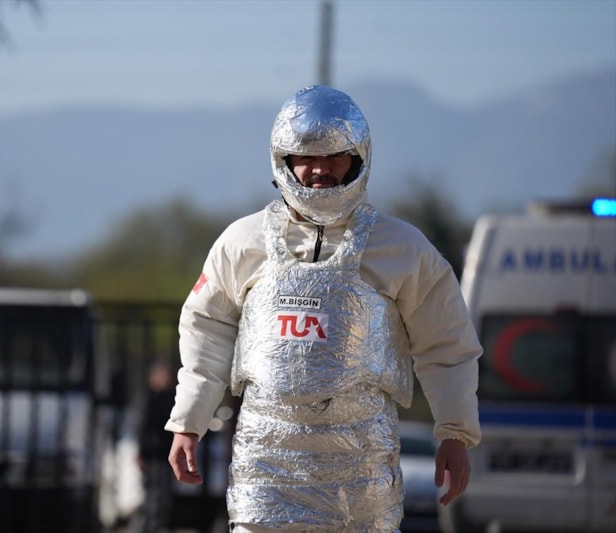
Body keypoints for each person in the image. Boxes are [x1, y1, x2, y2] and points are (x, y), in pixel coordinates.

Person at [165, 85, 481, 532]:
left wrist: (455, 433)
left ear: (358, 159)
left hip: (361, 472)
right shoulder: (241, 242)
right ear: (283, 160)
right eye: (307, 156)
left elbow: (447, 345)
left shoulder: (404, 248)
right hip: (265, 469)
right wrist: (188, 422)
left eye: (335, 156)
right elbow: (206, 331)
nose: (320, 169)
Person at [137, 361, 178, 533]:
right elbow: (142, 428)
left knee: (163, 498)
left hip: (165, 454)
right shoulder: (149, 400)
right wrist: (140, 453)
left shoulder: (171, 399)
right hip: (152, 454)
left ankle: (157, 526)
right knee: (153, 497)